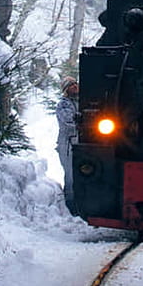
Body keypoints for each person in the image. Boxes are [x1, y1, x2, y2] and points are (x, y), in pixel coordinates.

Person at [56, 76, 79, 215]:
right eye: (71, 85)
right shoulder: (63, 105)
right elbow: (68, 123)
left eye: (75, 83)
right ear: (66, 89)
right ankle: (70, 204)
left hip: (78, 142)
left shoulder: (80, 102)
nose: (75, 86)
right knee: (70, 175)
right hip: (67, 143)